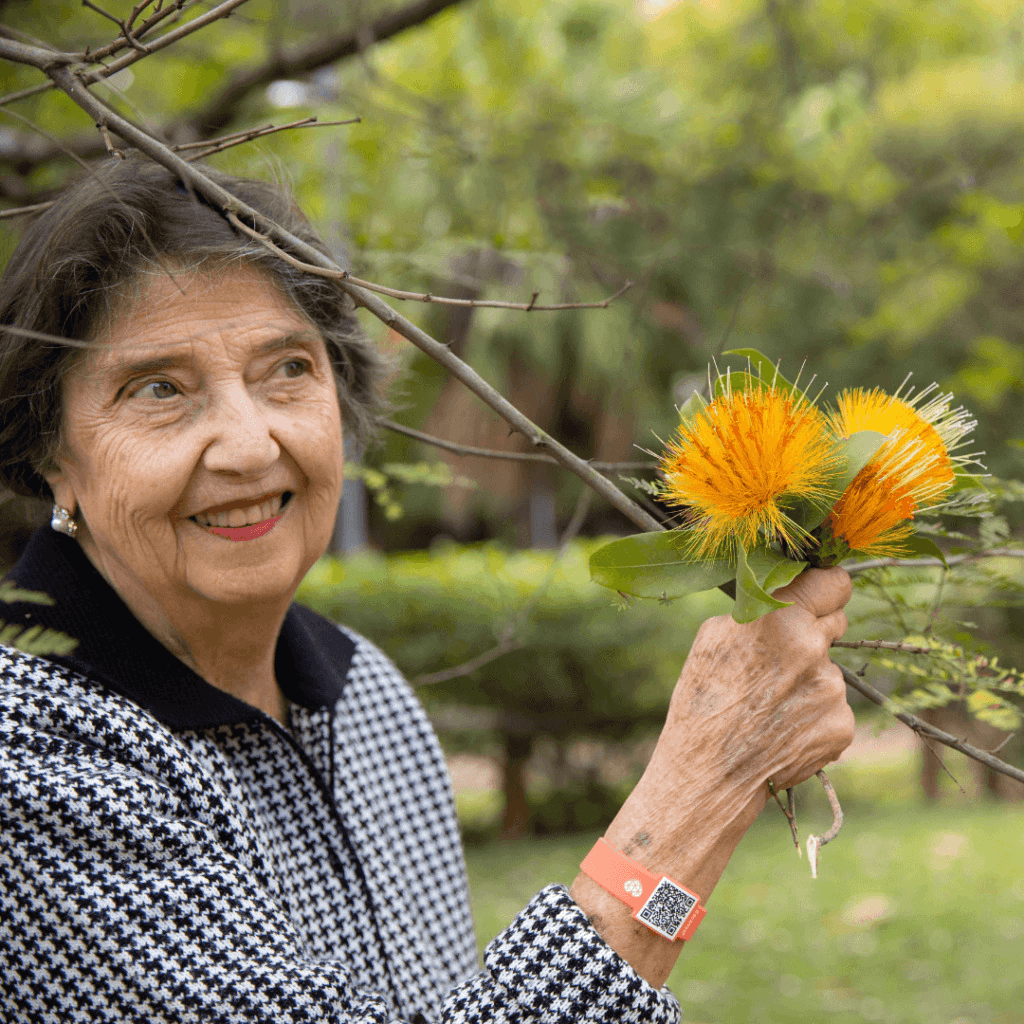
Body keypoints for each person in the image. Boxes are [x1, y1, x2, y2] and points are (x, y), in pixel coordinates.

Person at [0, 155, 855, 1023]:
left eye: (286, 370)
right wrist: (699, 792)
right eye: (159, 388)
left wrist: (677, 858)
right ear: (49, 452)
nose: (250, 446)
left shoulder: (369, 695)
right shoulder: (30, 762)